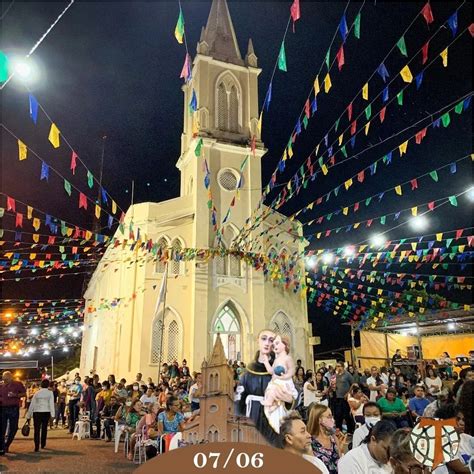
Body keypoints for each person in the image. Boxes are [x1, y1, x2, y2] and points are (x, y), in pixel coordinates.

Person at [237, 329, 294, 445]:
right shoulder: (247, 373)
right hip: (252, 415)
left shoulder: (280, 368)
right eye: (264, 338)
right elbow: (238, 401)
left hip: (275, 415)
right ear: (257, 340)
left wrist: (289, 399)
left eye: (271, 340)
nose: (267, 343)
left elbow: (291, 394)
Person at [261, 335, 297, 413]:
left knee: (275, 391)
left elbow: (291, 370)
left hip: (284, 382)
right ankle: (273, 406)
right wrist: (266, 362)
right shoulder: (276, 360)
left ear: (285, 344)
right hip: (276, 382)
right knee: (272, 391)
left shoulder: (288, 358)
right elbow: (271, 371)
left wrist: (285, 376)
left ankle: (272, 404)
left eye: (277, 343)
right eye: (273, 345)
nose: (274, 346)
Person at [307, 404, 346, 474]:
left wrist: (341, 449)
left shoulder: (333, 438)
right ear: (319, 420)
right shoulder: (309, 442)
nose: (332, 419)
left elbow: (340, 463)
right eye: (329, 417)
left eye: (332, 416)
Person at [0, 370, 26, 455]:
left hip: (13, 408)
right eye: (4, 379)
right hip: (3, 408)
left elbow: (24, 394)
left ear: (10, 377)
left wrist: (15, 395)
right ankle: (2, 447)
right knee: (2, 428)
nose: (4, 381)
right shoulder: (2, 386)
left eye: (6, 379)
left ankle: (7, 444)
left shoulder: (17, 384)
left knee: (13, 428)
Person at [26, 379, 55, 452]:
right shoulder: (50, 393)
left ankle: (36, 446)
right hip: (46, 412)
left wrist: (28, 415)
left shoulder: (37, 393)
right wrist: (53, 414)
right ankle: (43, 443)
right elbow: (51, 404)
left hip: (37, 412)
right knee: (44, 428)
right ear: (48, 385)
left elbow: (32, 404)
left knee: (36, 429)